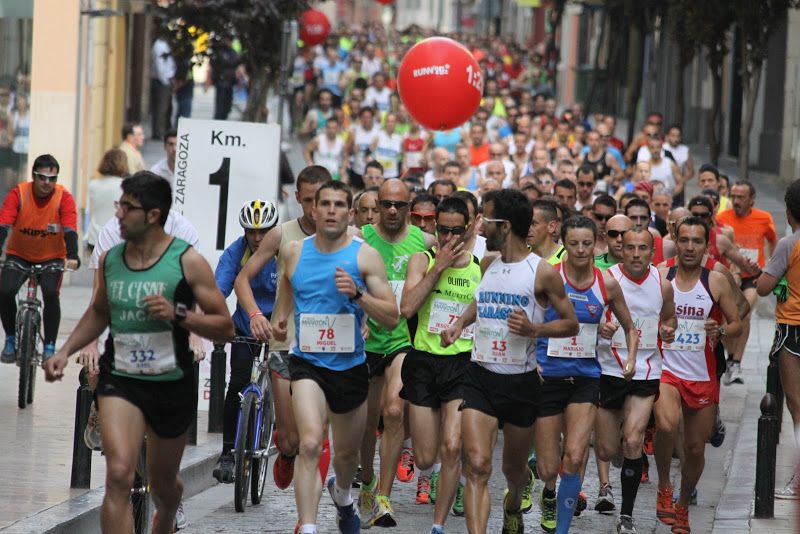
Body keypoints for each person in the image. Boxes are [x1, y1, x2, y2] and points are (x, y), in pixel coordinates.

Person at [43, 172, 234, 534]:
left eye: (127, 207)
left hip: (169, 381)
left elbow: (224, 325)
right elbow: (99, 311)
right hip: (122, 376)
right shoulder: (113, 258)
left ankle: (168, 509)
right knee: (118, 474)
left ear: (152, 215)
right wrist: (65, 351)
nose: (117, 214)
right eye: (119, 204)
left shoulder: (187, 260)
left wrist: (179, 314)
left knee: (163, 484)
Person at [442, 189, 579, 534]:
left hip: (520, 382)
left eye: (484, 221)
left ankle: (513, 503)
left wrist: (534, 328)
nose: (480, 227)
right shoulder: (488, 263)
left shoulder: (542, 272)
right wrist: (460, 322)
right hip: (480, 375)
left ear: (504, 226)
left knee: (513, 471)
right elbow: (481, 301)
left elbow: (571, 323)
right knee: (476, 465)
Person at [268, 180, 399, 534]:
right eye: (324, 204)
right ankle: (308, 526)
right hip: (307, 364)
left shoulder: (364, 256)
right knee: (310, 443)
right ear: (313, 209)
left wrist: (358, 295)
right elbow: (285, 299)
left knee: (345, 456)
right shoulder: (294, 251)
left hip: (350, 367)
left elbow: (391, 315)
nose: (330, 210)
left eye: (339, 205)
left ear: (350, 213)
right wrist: (279, 325)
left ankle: (342, 496)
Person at [534, 215, 638, 534]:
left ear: (598, 243)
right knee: (549, 466)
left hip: (586, 378)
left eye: (587, 243)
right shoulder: (549, 277)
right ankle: (548, 492)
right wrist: (531, 361)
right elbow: (527, 318)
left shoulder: (605, 283)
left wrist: (630, 358)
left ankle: (562, 530)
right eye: (574, 243)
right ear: (564, 243)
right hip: (547, 376)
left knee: (576, 455)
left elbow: (631, 327)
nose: (580, 250)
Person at [234, 166, 332, 491]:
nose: (316, 209)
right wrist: (254, 315)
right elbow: (243, 279)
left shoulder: (349, 237)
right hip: (285, 343)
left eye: (322, 200)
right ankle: (284, 451)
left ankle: (307, 520)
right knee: (291, 439)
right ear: (298, 198)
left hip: (327, 348)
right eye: (308, 201)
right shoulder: (281, 234)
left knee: (315, 437)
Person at [653, 216, 742, 534]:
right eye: (684, 240)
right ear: (675, 239)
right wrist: (659, 330)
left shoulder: (715, 281)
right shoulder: (662, 274)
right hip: (668, 369)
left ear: (707, 246)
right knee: (665, 423)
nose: (690, 247)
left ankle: (682, 504)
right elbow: (645, 315)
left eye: (697, 241)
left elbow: (737, 323)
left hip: (703, 375)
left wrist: (720, 329)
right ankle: (664, 485)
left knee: (694, 448)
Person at [399, 197, 481, 534]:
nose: (448, 238)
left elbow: (485, 303)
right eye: (442, 230)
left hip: (462, 365)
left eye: (455, 231)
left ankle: (438, 525)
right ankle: (429, 479)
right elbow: (407, 308)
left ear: (469, 228)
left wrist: (461, 324)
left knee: (452, 447)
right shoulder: (422, 260)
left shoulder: (480, 266)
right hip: (423, 363)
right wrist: (438, 267)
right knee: (425, 457)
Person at [359, 179, 435, 528]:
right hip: (362, 344)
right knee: (364, 423)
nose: (392, 210)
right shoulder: (358, 237)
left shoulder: (424, 243)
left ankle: (383, 498)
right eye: (386, 204)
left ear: (409, 208)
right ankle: (367, 480)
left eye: (399, 205)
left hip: (399, 341)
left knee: (393, 412)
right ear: (377, 204)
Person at [595, 228, 677, 534]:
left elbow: (670, 320)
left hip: (646, 369)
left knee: (633, 439)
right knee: (605, 449)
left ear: (652, 252)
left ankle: (626, 516)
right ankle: (618, 453)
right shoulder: (607, 280)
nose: (636, 254)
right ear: (621, 249)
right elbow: (588, 317)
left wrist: (667, 331)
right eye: (630, 247)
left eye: (643, 248)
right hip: (609, 367)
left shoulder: (663, 285)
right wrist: (601, 330)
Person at [212, 199, 279, 483]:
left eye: (263, 231)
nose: (257, 238)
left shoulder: (284, 251)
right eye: (251, 232)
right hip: (245, 329)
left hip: (279, 331)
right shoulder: (236, 252)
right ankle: (228, 451)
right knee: (237, 385)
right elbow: (218, 290)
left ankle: (275, 429)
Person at [0, 154, 80, 363]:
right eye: (42, 177)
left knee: (52, 294)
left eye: (52, 178)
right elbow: (4, 225)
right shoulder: (18, 194)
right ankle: (10, 339)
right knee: (6, 292)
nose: (47, 183)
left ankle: (50, 346)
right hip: (19, 254)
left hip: (51, 256)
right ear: (33, 176)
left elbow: (70, 228)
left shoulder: (64, 198)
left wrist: (72, 255)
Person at [757, 179, 800, 498]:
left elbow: (763, 287)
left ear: (788, 212)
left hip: (793, 330)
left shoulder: (789, 244)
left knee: (797, 406)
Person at [716, 181, 777, 384]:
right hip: (729, 276)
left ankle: (735, 362)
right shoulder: (722, 218)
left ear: (752, 199)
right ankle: (730, 356)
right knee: (728, 318)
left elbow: (772, 239)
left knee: (745, 312)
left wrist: (770, 263)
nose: (735, 201)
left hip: (752, 277)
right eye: (733, 196)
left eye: (740, 197)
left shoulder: (764, 218)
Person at [87, 149, 129, 250]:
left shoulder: (93, 184)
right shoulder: (126, 186)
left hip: (95, 236)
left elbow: (90, 210)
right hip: (117, 238)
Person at [304, 116, 346, 181]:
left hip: (334, 175)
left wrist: (343, 168)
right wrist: (310, 163)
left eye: (333, 128)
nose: (331, 130)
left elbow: (345, 157)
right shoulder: (318, 140)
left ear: (337, 129)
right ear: (326, 128)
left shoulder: (341, 142)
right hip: (319, 175)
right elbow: (306, 150)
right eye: (329, 128)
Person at [150, 32, 175, 140]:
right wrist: (165, 80)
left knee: (165, 108)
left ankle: (161, 131)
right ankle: (159, 132)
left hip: (164, 80)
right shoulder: (160, 46)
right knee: (161, 108)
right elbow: (159, 65)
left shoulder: (164, 45)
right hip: (162, 81)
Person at [209, 36, 241, 121]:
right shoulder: (219, 52)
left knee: (227, 107)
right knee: (220, 107)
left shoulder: (233, 52)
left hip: (230, 83)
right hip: (221, 82)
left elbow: (235, 62)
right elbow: (220, 64)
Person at [528, 199, 565, 264]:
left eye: (533, 223)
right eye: (526, 223)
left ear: (551, 227)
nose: (527, 228)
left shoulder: (566, 258)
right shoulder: (521, 256)